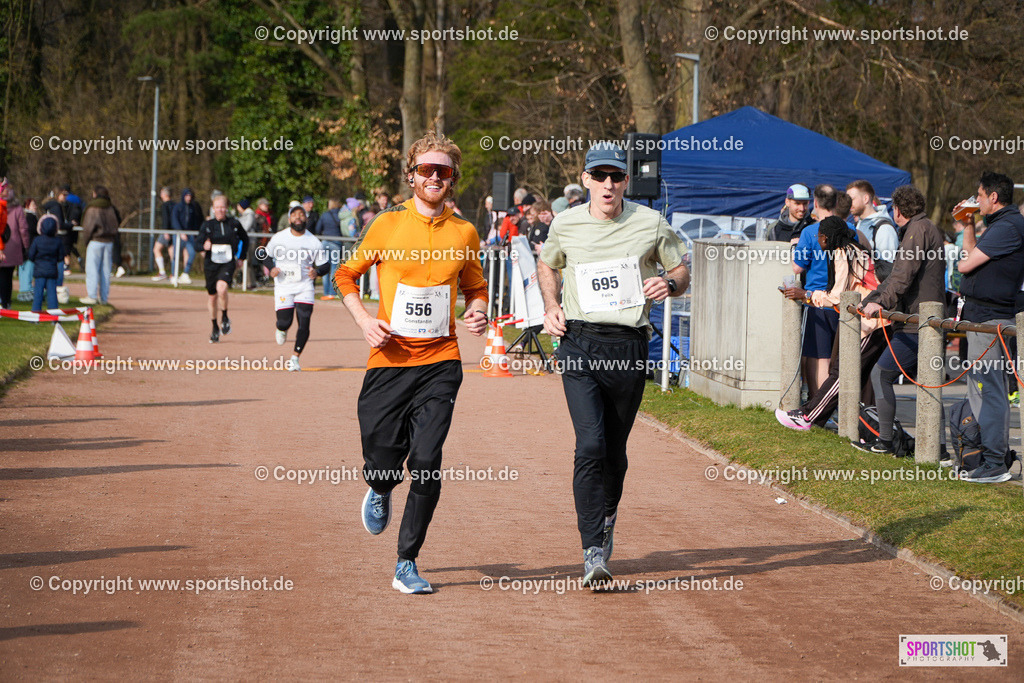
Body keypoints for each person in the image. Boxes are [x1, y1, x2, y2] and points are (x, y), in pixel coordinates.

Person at [334, 130, 488, 594]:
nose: (435, 176)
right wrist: (363, 320)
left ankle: (407, 561)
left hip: (441, 361)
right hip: (388, 358)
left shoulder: (465, 231)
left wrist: (477, 310)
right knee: (382, 453)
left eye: (443, 170)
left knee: (426, 460)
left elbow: (475, 287)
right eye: (427, 169)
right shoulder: (386, 224)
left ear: (453, 177)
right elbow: (346, 274)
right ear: (411, 176)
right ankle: (380, 486)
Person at [537, 142, 689, 588]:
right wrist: (551, 305)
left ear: (626, 181)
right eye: (599, 175)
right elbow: (548, 266)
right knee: (590, 444)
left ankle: (607, 514)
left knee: (614, 454)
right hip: (579, 343)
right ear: (585, 179)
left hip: (627, 345)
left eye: (616, 176)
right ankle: (592, 550)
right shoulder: (565, 223)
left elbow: (681, 270)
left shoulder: (650, 222)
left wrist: (668, 283)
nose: (608, 184)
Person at [857, 184, 946, 455]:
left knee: (881, 373)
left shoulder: (917, 231)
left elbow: (901, 276)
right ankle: (938, 450)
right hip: (922, 321)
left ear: (897, 210)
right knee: (929, 384)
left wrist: (879, 302)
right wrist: (871, 297)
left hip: (917, 324)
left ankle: (886, 441)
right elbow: (897, 275)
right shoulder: (925, 227)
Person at [776, 216, 887, 429]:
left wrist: (806, 295)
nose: (817, 240)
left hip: (871, 323)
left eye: (819, 236)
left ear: (826, 237)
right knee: (855, 374)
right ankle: (866, 428)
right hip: (873, 320)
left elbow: (837, 297)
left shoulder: (842, 253)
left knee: (841, 373)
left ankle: (808, 417)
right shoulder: (855, 249)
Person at [956, 172, 1024, 483]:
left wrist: (969, 233)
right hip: (982, 317)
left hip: (992, 319)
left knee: (990, 390)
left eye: (980, 196)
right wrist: (968, 225)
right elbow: (972, 257)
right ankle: (987, 458)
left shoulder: (1008, 226)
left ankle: (996, 462)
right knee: (978, 388)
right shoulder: (999, 225)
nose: (976, 200)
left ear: (993, 198)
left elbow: (964, 264)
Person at [267, 205, 330, 371]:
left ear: (306, 219)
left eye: (301, 215)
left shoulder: (313, 241)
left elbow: (325, 265)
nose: (298, 217)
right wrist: (271, 269)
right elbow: (265, 254)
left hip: (304, 286)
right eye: (294, 215)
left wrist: (316, 272)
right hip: (283, 286)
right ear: (289, 219)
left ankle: (295, 358)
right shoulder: (279, 238)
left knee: (304, 322)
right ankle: (281, 329)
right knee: (284, 321)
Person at [792, 184, 840, 398]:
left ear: (816, 203)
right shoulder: (849, 230)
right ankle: (823, 404)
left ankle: (819, 406)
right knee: (831, 357)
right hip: (840, 300)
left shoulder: (810, 232)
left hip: (816, 301)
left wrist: (795, 248)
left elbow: (797, 267)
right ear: (836, 203)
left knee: (819, 357)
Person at [195, 195, 249, 343]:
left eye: (222, 207)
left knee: (222, 288)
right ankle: (214, 327)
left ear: (227, 208)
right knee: (212, 297)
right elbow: (197, 244)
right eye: (217, 207)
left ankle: (224, 317)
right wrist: (203, 246)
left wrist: (241, 257)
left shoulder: (234, 224)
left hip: (227, 262)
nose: (220, 210)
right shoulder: (207, 225)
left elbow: (245, 239)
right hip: (211, 264)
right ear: (213, 208)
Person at [80, 186, 121, 305]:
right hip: (109, 242)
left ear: (95, 194)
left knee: (92, 269)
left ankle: (92, 296)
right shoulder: (111, 208)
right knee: (105, 271)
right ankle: (104, 298)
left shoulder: (92, 208)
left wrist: (86, 240)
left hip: (96, 240)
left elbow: (88, 227)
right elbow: (117, 224)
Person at [847, 180, 899, 266]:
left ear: (865, 199)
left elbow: (887, 270)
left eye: (851, 199)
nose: (848, 204)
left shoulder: (884, 229)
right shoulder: (857, 225)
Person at [28, 209, 66, 312]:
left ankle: (35, 315)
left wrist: (36, 259)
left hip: (39, 271)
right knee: (52, 295)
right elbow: (61, 257)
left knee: (38, 295)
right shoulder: (58, 241)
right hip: (52, 271)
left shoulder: (37, 240)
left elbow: (31, 255)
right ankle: (54, 316)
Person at [1, 184, 31, 309]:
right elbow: (23, 229)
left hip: (3, 244)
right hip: (13, 246)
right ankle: (7, 302)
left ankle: (2, 302)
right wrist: (26, 245)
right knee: (8, 276)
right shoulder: (18, 208)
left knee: (2, 275)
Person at [313, 198, 345, 299]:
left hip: (325, 242)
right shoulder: (341, 215)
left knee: (325, 266)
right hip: (336, 243)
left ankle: (326, 292)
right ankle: (332, 292)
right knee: (334, 268)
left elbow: (318, 228)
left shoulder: (324, 215)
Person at [171, 188, 202, 284]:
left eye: (190, 196)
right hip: (178, 235)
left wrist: (196, 234)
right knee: (176, 255)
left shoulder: (193, 207)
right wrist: (180, 232)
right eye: (187, 196)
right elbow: (174, 220)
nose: (188, 198)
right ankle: (173, 275)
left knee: (192, 253)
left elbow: (196, 221)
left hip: (190, 235)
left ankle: (185, 273)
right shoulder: (178, 207)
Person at [152, 187, 176, 281]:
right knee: (172, 252)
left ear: (165, 194)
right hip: (174, 231)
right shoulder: (175, 205)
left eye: (161, 193)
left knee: (156, 249)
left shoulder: (165, 205)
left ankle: (162, 272)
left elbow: (166, 219)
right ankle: (174, 273)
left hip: (167, 231)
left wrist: (166, 231)